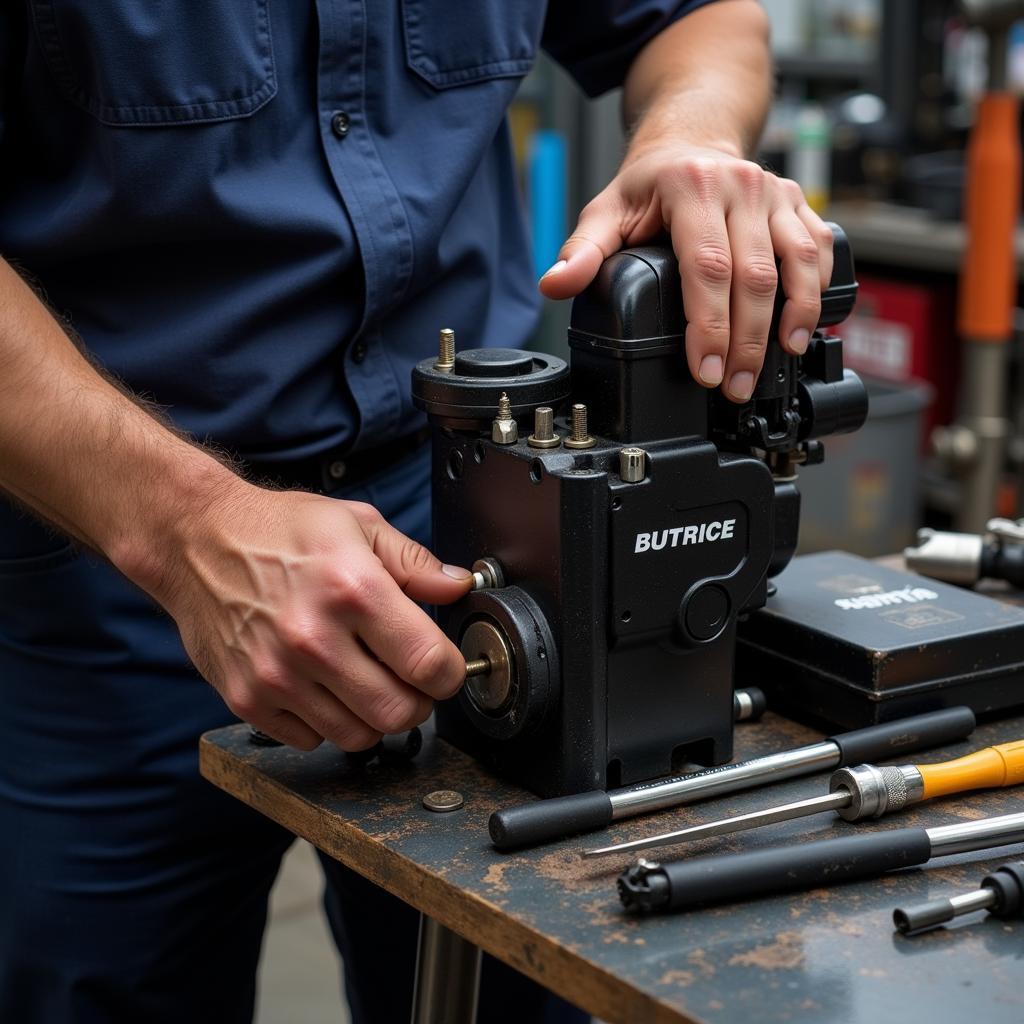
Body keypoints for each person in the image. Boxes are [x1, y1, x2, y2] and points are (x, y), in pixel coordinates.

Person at [0, 1, 833, 1021]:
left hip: (469, 504)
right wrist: (184, 527)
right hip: (105, 549)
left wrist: (689, 131)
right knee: (104, 985)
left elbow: (703, 18)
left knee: (515, 983)